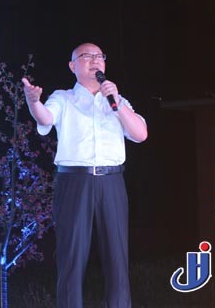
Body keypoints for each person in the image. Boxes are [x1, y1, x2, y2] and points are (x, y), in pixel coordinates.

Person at [22, 42, 148, 308]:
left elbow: (140, 134)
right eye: (86, 56)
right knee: (71, 257)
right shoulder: (64, 98)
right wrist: (33, 102)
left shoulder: (117, 100)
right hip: (74, 182)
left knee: (117, 257)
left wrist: (117, 103)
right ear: (72, 66)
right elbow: (46, 118)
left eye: (99, 56)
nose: (95, 60)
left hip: (112, 181)